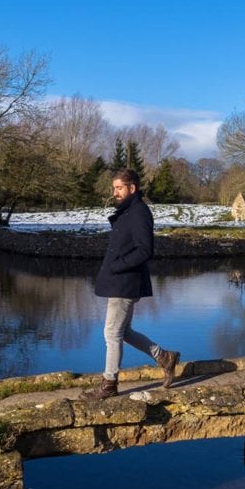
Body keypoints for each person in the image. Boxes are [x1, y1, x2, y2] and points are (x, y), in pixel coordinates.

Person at [82, 168, 180, 400]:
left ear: (132, 188)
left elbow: (145, 250)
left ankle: (109, 384)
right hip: (119, 280)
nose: (115, 192)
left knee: (111, 333)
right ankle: (164, 357)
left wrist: (118, 265)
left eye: (119, 188)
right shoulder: (128, 211)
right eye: (114, 188)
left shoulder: (139, 212)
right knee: (123, 331)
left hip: (124, 281)